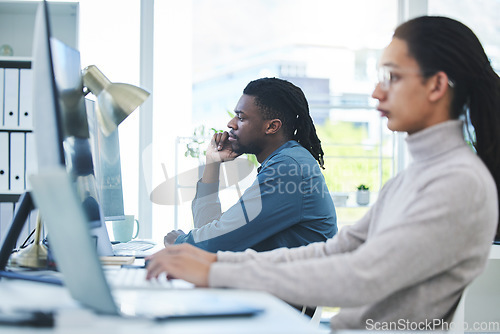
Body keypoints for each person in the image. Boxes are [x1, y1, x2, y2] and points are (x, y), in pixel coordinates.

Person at [147, 16, 500, 330]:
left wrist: (213, 266)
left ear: (436, 87)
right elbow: (339, 250)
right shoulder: (416, 177)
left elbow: (363, 275)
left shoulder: (459, 183)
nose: (377, 91)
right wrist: (212, 261)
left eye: (392, 77)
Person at [164, 77, 337, 252]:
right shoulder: (284, 161)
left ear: (271, 126)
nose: (230, 124)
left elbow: (216, 244)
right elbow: (210, 231)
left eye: (241, 117)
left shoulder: (287, 167)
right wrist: (213, 163)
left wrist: (179, 242)